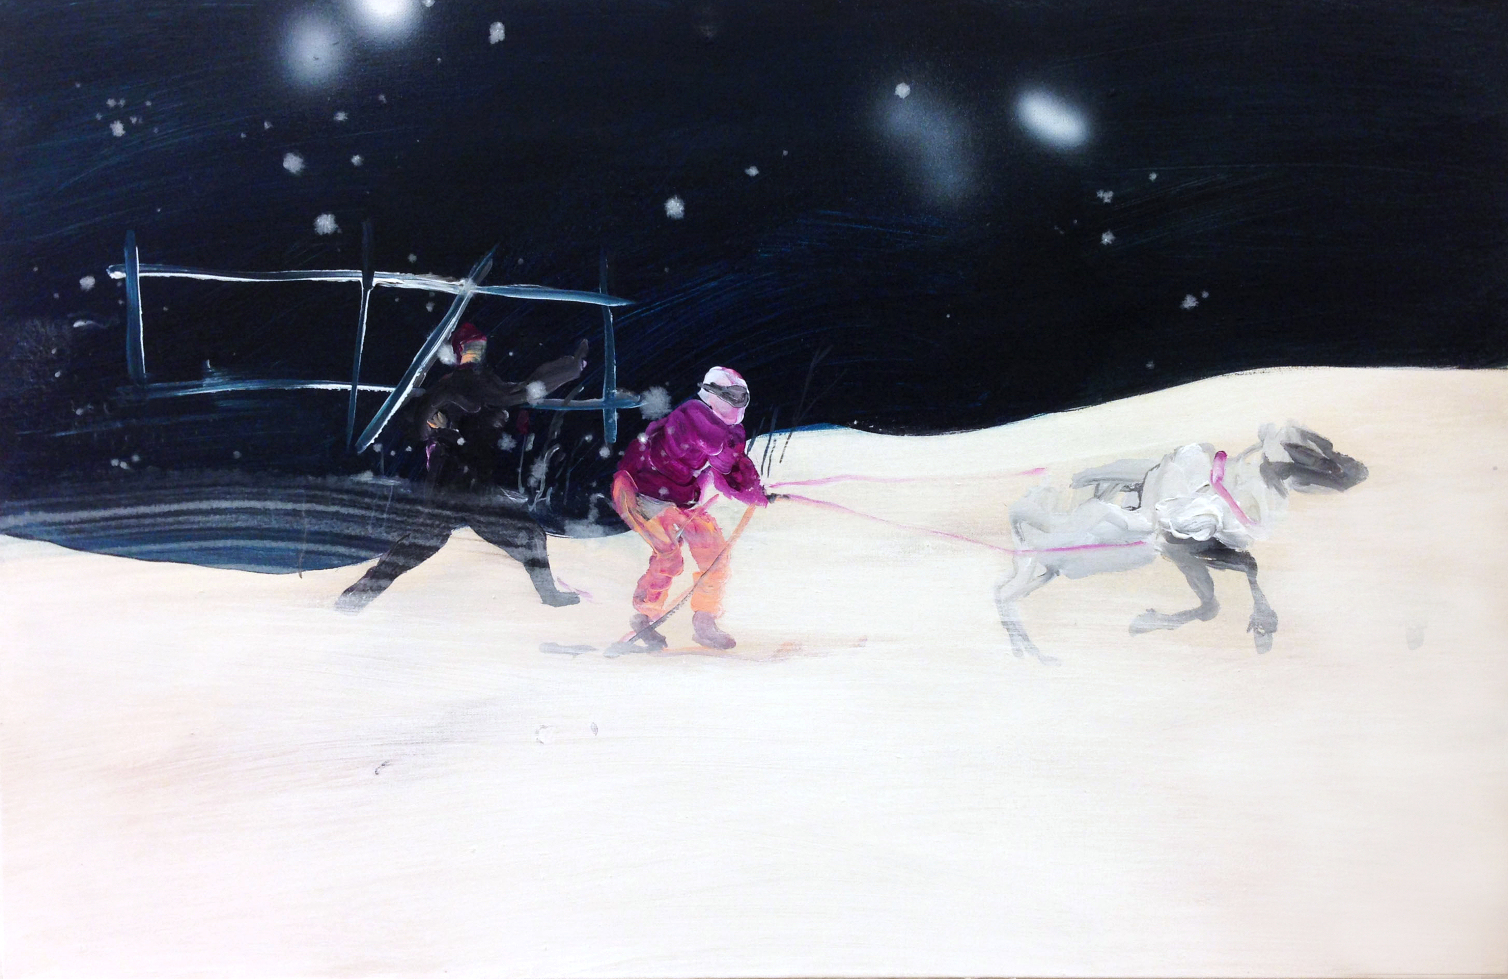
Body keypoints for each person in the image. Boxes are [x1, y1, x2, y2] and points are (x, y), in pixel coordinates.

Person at [336, 325, 587, 612]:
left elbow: (519, 392)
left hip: (474, 483)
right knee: (420, 545)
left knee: (527, 537)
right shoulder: (457, 384)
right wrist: (436, 427)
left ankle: (549, 594)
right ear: (459, 352)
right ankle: (356, 598)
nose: (475, 352)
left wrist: (569, 369)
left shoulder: (484, 383)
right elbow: (419, 425)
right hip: (452, 482)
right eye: (470, 347)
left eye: (479, 347)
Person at [611, 366, 769, 650]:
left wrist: (756, 492)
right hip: (642, 492)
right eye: (730, 395)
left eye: (740, 396)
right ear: (711, 394)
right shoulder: (691, 416)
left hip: (682, 498)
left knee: (715, 554)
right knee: (669, 556)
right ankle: (644, 616)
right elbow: (716, 451)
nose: (735, 403)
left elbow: (732, 466)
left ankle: (705, 620)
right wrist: (736, 465)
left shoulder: (730, 431)